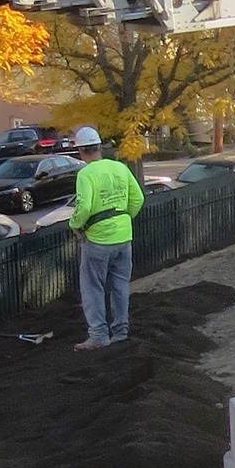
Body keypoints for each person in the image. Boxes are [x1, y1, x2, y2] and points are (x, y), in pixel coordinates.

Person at [68, 137, 145, 350]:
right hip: (123, 237)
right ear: (99, 147)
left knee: (93, 287)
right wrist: (123, 219)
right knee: (120, 285)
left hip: (98, 239)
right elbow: (138, 198)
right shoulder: (120, 167)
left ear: (81, 150)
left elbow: (84, 207)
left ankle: (99, 336)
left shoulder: (86, 174)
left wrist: (75, 224)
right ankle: (120, 332)